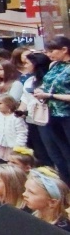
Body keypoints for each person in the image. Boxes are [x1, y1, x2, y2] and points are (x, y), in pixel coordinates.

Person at [34, 37, 70, 183]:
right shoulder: (54, 65)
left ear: (64, 49)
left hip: (67, 114)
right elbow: (48, 84)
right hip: (51, 114)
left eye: (51, 51)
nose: (48, 55)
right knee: (58, 153)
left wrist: (51, 95)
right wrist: (41, 90)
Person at [23, 167, 70, 232]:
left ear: (52, 202)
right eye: (25, 189)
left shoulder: (62, 231)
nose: (24, 194)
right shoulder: (28, 214)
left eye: (31, 192)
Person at [0, 95, 28, 159]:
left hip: (13, 145)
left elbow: (21, 132)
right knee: (0, 158)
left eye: (0, 103)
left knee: (13, 158)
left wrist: (19, 144)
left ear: (9, 104)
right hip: (0, 144)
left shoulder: (16, 117)